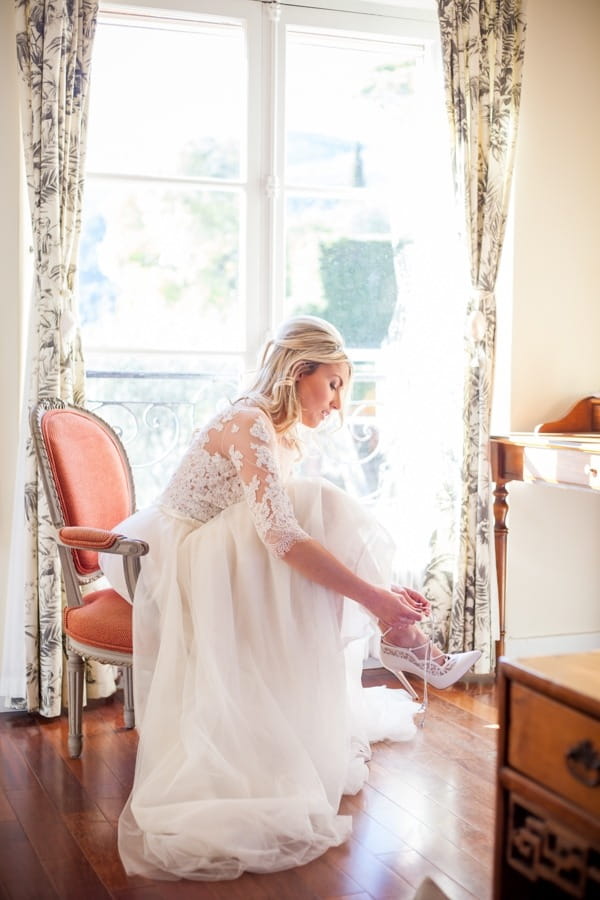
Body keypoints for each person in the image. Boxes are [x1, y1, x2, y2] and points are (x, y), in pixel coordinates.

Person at [100, 316, 480, 882]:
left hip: (218, 549)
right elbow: (281, 537)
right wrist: (374, 594)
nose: (337, 405)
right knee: (312, 504)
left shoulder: (278, 430)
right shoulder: (248, 420)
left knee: (315, 505)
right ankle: (399, 633)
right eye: (333, 384)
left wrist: (376, 588)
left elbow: (293, 533)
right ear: (299, 372)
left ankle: (398, 631)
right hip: (178, 562)